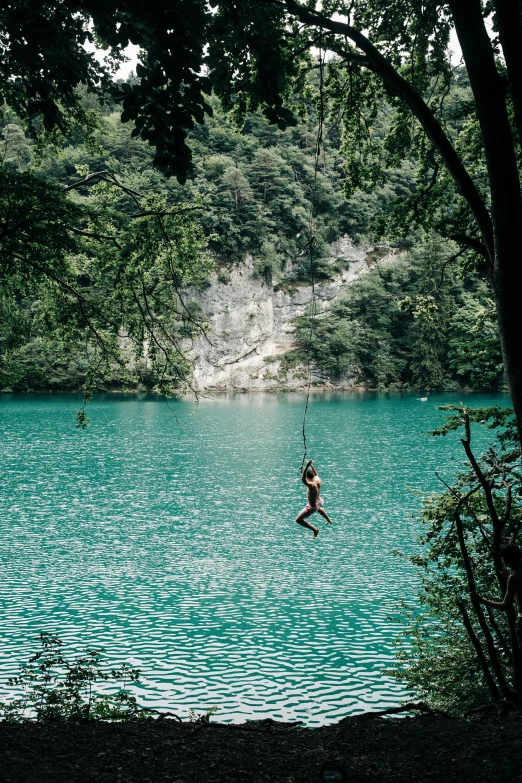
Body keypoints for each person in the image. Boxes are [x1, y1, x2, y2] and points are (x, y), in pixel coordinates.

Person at [470, 544, 522, 621]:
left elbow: (505, 605)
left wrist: (481, 600)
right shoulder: (515, 576)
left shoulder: (513, 578)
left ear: (506, 560)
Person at [295, 459, 332, 539]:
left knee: (298, 520)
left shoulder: (312, 486)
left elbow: (303, 480)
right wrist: (311, 466)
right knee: (318, 508)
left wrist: (307, 465)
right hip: (319, 501)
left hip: (312, 507)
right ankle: (328, 519)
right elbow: (316, 474)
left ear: (308, 478)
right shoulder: (317, 479)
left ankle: (315, 530)